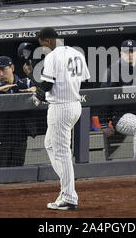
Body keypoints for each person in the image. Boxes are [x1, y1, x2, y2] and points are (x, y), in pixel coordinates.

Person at [23, 27, 90, 211]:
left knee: (62, 153)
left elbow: (46, 85)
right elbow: (83, 80)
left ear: (48, 40)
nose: (42, 48)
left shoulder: (53, 56)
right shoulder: (77, 53)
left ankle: (69, 196)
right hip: (75, 105)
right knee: (50, 145)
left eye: (42, 44)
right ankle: (67, 187)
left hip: (60, 108)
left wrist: (30, 75)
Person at [0, 55, 35, 168]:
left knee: (17, 173)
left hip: (19, 137)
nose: (1, 74)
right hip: (0, 139)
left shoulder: (25, 83)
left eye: (4, 69)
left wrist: (35, 88)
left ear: (12, 68)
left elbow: (44, 86)